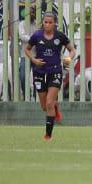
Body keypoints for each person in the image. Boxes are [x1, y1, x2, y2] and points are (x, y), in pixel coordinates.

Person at [24, 12, 77, 141]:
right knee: (44, 106)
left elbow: (72, 50)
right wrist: (34, 60)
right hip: (39, 71)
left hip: (55, 71)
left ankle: (48, 135)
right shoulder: (37, 35)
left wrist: (69, 58)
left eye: (50, 22)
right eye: (45, 22)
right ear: (43, 23)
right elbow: (27, 49)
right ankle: (55, 106)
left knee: (48, 103)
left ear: (55, 24)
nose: (47, 24)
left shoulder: (60, 36)